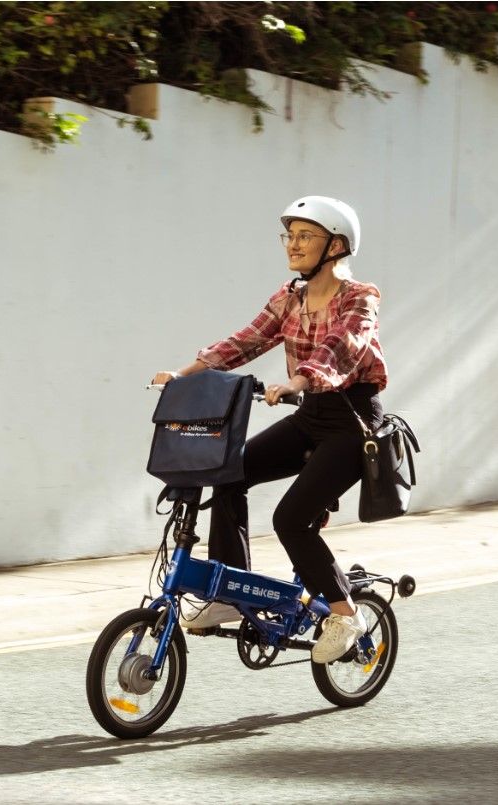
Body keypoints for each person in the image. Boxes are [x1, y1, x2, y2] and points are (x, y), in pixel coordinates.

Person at [151, 195, 387, 664]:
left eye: (306, 236)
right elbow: (246, 340)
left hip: (352, 423)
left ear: (336, 244)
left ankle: (344, 613)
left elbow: (343, 347)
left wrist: (300, 379)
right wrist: (182, 375)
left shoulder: (361, 297)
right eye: (290, 235)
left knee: (290, 519)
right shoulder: (290, 296)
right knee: (228, 471)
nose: (293, 245)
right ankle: (230, 589)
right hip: (309, 416)